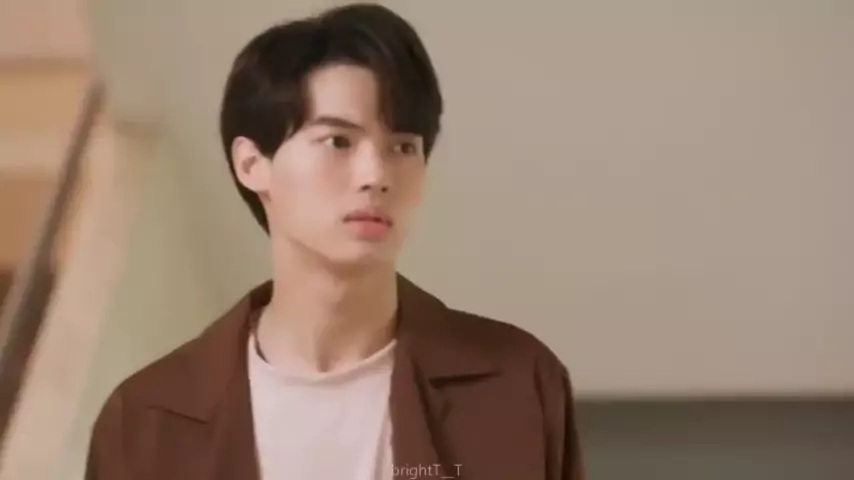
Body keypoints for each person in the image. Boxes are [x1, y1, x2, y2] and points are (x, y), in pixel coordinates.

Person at [85, 3, 583, 479]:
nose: (376, 175)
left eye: (403, 147)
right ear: (252, 164)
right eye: (338, 141)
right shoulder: (145, 422)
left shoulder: (518, 385)